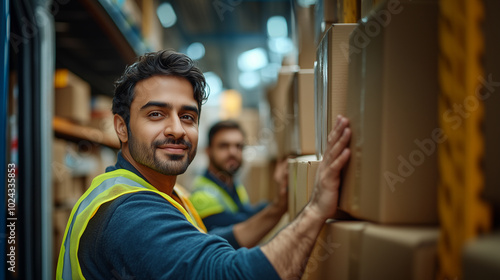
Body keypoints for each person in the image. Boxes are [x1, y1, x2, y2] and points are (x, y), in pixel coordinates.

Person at [56, 50, 352, 280]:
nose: (177, 129)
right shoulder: (129, 213)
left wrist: (280, 206)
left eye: (187, 116)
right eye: (156, 114)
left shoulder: (170, 194)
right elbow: (234, 275)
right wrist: (315, 210)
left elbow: (212, 240)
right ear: (121, 128)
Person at [189, 120, 289, 249]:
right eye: (224, 146)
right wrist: (279, 203)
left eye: (239, 146)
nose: (233, 152)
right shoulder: (201, 196)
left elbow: (247, 214)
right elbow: (240, 232)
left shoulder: (233, 185)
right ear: (208, 151)